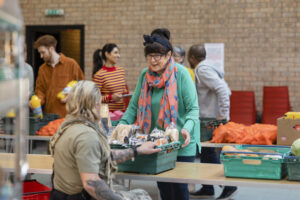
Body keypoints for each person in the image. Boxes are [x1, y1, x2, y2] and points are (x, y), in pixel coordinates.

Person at [118, 28, 200, 200]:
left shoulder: (182, 74)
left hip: (181, 142)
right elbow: (133, 107)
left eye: (158, 56)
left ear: (169, 54)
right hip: (157, 141)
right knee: (163, 187)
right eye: (150, 56)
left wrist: (186, 128)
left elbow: (193, 109)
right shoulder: (144, 75)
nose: (153, 60)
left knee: (178, 190)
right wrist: (119, 127)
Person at [49, 80, 160, 200]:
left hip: (63, 195)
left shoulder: (67, 126)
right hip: (80, 196)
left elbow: (102, 157)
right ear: (95, 104)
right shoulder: (86, 135)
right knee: (142, 196)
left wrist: (137, 150)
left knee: (137, 192)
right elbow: (91, 184)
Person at [188, 45, 237, 200]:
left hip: (211, 117)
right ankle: (207, 187)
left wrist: (223, 114)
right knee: (204, 151)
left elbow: (222, 89)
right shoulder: (208, 67)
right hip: (208, 116)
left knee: (208, 152)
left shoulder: (202, 70)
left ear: (191, 58)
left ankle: (229, 186)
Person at [34, 34, 84, 118]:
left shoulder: (71, 64)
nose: (41, 56)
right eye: (40, 53)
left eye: (43, 52)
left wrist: (71, 95)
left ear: (51, 49)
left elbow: (82, 85)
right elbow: (40, 91)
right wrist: (38, 101)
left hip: (69, 115)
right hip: (49, 116)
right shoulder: (42, 69)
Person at [92, 44, 128, 112]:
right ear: (107, 54)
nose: (119, 56)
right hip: (107, 114)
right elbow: (95, 98)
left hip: (122, 114)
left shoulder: (121, 71)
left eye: (118, 53)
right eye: (116, 53)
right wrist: (110, 97)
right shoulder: (99, 75)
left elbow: (124, 91)